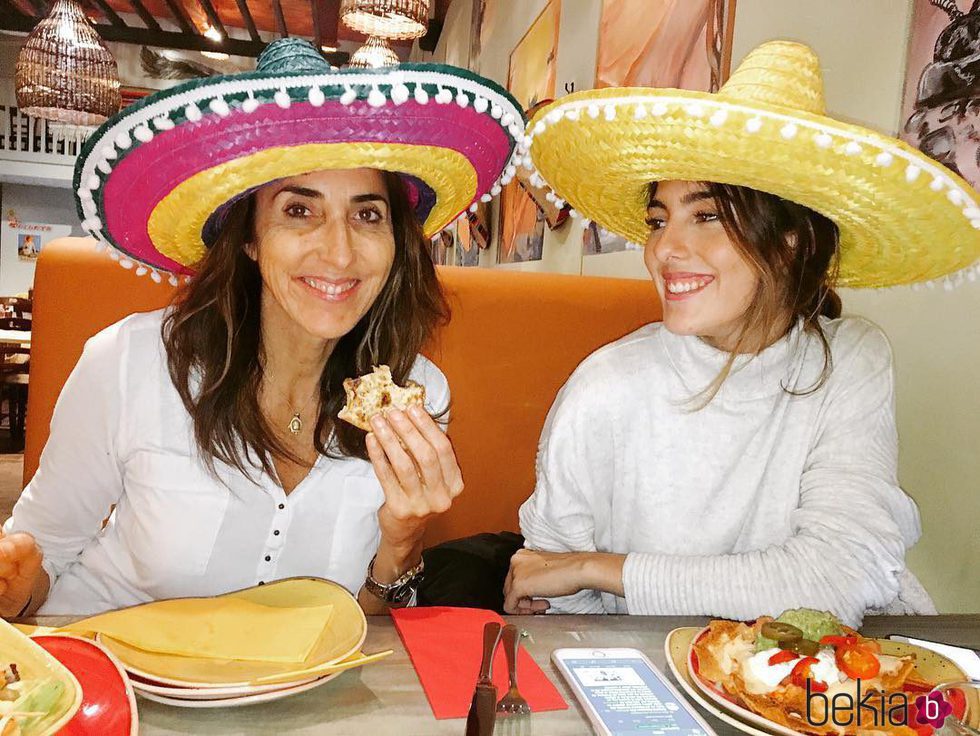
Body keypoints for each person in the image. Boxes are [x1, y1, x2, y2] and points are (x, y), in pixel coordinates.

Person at [0, 38, 524, 617]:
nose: (341, 252)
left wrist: (402, 540)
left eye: (367, 214)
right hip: (120, 675)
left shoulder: (415, 395)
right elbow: (43, 552)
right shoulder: (129, 363)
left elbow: (356, 627)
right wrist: (18, 580)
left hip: (293, 698)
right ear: (249, 237)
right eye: (299, 210)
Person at [505, 41, 980, 626]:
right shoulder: (604, 386)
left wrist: (601, 568)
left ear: (792, 241)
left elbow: (838, 576)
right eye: (659, 219)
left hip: (818, 679)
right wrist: (574, 578)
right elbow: (550, 591)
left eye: (705, 215)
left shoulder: (849, 359)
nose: (664, 250)